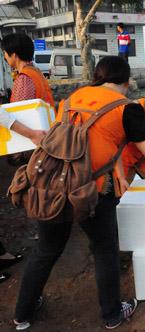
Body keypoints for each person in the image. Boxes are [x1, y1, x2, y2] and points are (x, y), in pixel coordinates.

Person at [13, 56, 145, 330]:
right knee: (104, 249)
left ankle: (22, 315)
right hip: (90, 190)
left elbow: (88, 139)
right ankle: (113, 315)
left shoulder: (72, 98)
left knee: (46, 250)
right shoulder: (128, 109)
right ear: (127, 83)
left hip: (50, 183)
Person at [1, 33, 55, 284]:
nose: (4, 57)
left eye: (5, 53)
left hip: (33, 144)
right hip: (47, 140)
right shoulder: (38, 75)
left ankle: (45, 232)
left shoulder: (24, 80)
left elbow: (13, 118)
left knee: (33, 189)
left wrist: (24, 141)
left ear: (13, 54)